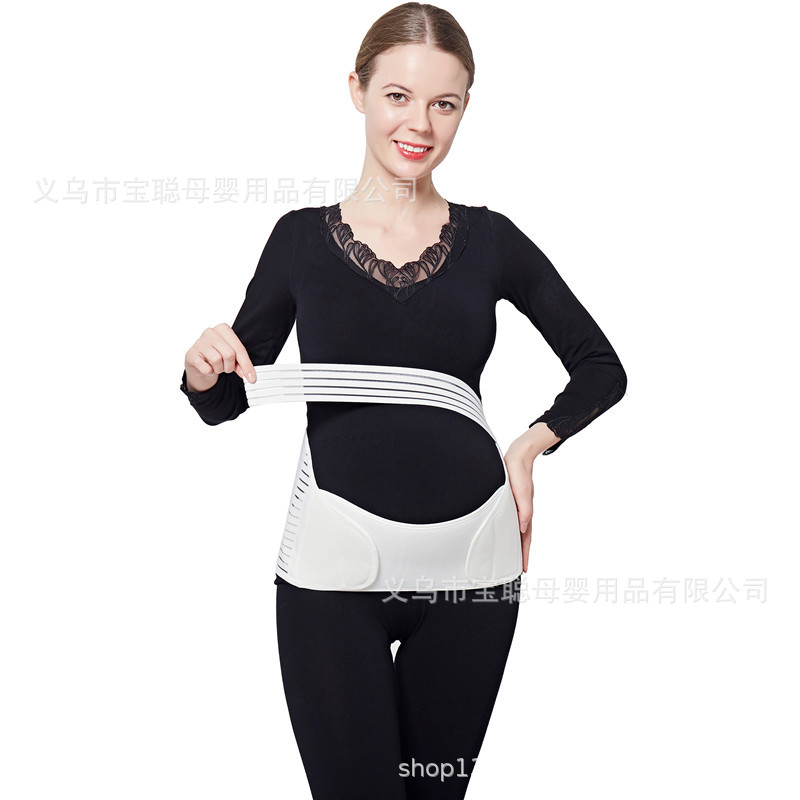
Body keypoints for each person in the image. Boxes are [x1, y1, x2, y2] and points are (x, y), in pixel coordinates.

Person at [179, 3, 626, 798]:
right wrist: (203, 368)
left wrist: (529, 447)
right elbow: (225, 403)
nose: (419, 124)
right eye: (397, 96)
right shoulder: (299, 241)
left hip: (476, 568)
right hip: (331, 571)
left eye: (443, 103)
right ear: (356, 90)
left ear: (464, 108)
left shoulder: (493, 240)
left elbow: (601, 368)